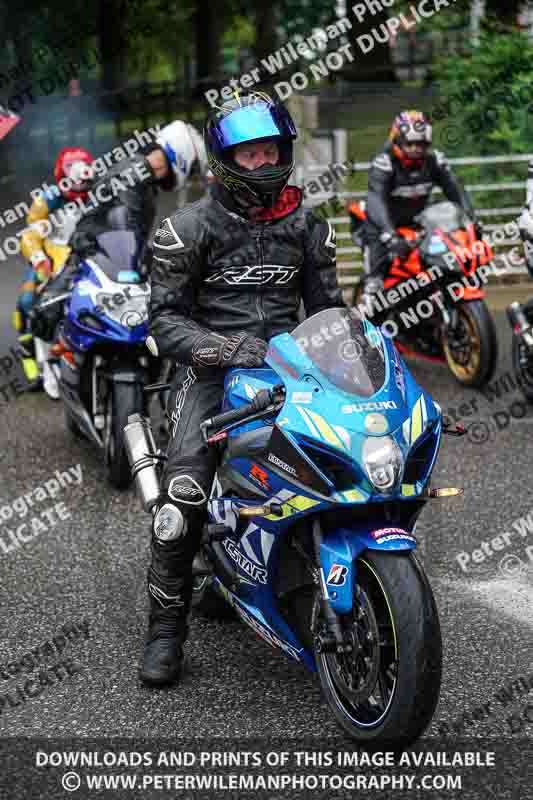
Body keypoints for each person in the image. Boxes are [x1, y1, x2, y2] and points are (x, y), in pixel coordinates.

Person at [140, 92, 344, 687]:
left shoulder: (308, 225)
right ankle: (164, 632)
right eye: (249, 154)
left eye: (270, 151)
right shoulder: (187, 229)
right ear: (225, 160)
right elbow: (164, 322)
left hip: (290, 371)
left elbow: (330, 314)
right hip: (209, 374)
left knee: (344, 460)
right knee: (181, 497)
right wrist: (228, 350)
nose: (262, 163)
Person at [30, 121, 203, 343]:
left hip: (105, 256)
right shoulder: (133, 172)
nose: (192, 174)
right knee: (45, 313)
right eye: (194, 167)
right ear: (182, 155)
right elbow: (124, 227)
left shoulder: (144, 178)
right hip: (94, 256)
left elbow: (135, 236)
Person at [361, 110, 478, 305]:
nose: (415, 148)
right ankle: (370, 292)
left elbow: (455, 190)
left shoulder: (435, 161)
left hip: (417, 222)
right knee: (377, 277)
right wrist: (390, 234)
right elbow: (376, 200)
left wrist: (471, 221)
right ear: (397, 141)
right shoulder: (384, 162)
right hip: (384, 223)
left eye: (421, 143)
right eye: (410, 143)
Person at [14, 147, 94, 390]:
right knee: (27, 303)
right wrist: (39, 259)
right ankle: (33, 368)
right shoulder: (47, 199)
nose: (79, 189)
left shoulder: (99, 195)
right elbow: (30, 234)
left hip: (86, 258)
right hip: (49, 262)